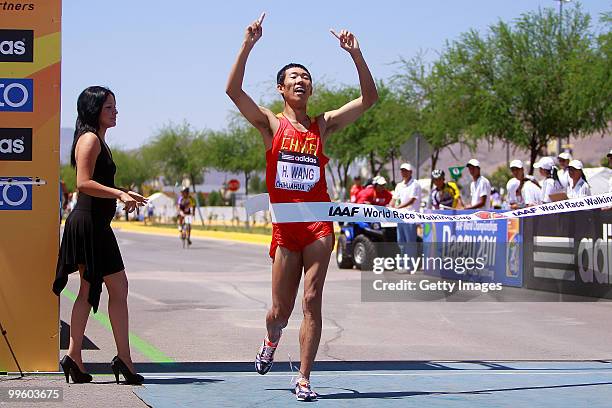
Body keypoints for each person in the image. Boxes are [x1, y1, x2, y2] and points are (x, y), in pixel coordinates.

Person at [225, 13, 378, 401]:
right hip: (285, 228)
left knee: (312, 300)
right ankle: (271, 339)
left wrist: (356, 55)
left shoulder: (322, 125)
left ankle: (305, 378)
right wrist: (248, 44)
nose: (300, 80)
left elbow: (369, 100)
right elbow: (233, 92)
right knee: (280, 310)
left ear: (311, 88)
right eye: (293, 76)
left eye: (305, 77)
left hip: (318, 226)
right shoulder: (270, 125)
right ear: (281, 88)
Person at [53, 87, 146, 385]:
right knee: (119, 289)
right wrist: (118, 192)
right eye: (109, 107)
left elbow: (96, 182)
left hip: (92, 223)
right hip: (89, 224)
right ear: (94, 110)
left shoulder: (97, 139)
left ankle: (74, 357)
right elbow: (83, 183)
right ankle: (124, 359)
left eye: (115, 107)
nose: (115, 112)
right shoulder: (90, 139)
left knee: (88, 290)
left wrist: (123, 192)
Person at [394, 166, 421, 260]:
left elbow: (412, 200)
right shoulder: (399, 185)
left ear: (410, 172)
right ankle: (402, 264)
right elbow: (394, 199)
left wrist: (398, 207)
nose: (403, 173)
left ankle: (410, 265)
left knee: (410, 242)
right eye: (402, 171)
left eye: (406, 171)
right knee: (401, 242)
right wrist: (390, 206)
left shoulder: (415, 184)